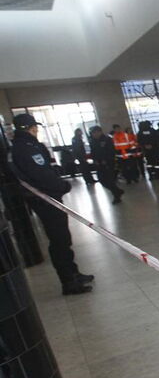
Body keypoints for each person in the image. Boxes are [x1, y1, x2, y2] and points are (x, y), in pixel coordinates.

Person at [10, 114, 94, 295]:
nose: (36, 130)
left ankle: (73, 273)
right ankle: (69, 282)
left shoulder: (25, 146)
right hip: (45, 199)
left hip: (47, 198)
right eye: (34, 127)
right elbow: (42, 175)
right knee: (59, 240)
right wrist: (63, 186)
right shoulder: (25, 148)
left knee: (63, 238)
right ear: (30, 128)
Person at [89, 126, 124, 204]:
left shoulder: (107, 139)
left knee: (109, 180)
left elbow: (111, 151)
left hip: (108, 163)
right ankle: (117, 191)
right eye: (93, 133)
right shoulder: (92, 141)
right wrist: (95, 160)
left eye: (96, 132)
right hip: (98, 164)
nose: (94, 134)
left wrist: (107, 160)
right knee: (102, 180)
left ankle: (117, 196)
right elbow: (93, 152)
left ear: (100, 132)